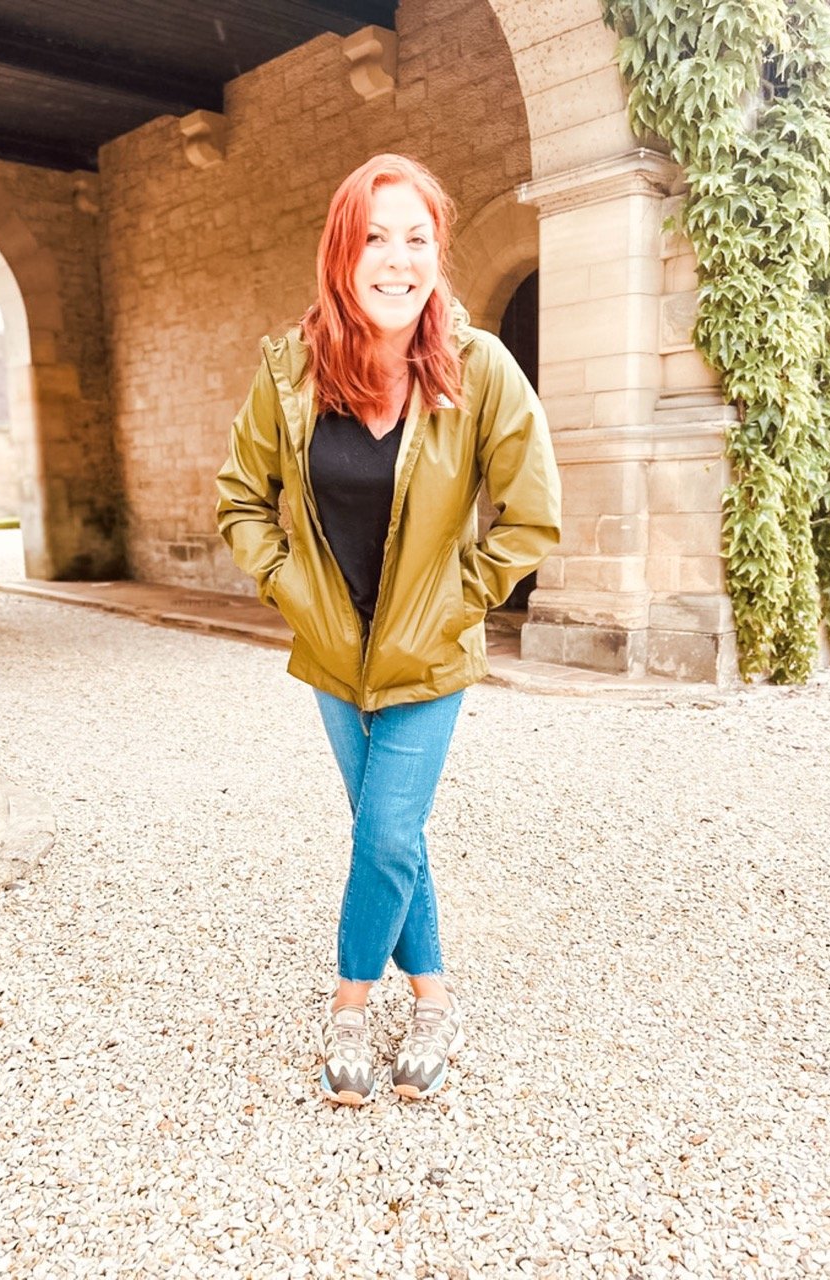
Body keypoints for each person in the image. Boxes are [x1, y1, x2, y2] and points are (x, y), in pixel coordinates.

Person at [216, 153, 560, 1106]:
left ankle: (349, 1008)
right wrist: (290, 586)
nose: (397, 258)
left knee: (386, 829)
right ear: (342, 251)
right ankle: (436, 1000)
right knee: (390, 834)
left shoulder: (480, 369)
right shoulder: (289, 371)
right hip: (333, 651)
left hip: (431, 653)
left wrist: (458, 598)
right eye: (375, 237)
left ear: (437, 253)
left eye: (416, 238)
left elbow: (531, 515)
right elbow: (241, 498)